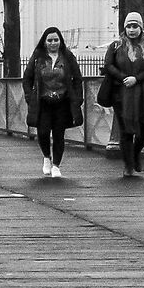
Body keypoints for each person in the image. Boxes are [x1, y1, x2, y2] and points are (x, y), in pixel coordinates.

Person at [98, 12, 144, 177]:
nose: (132, 30)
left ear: (141, 28)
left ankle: (135, 153)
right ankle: (128, 165)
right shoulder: (116, 46)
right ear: (124, 28)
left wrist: (137, 79)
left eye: (135, 26)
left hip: (142, 94)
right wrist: (124, 78)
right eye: (129, 26)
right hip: (121, 94)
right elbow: (108, 65)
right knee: (126, 130)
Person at [21, 26, 84, 179]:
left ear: (60, 41)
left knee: (58, 134)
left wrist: (78, 98)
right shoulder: (38, 57)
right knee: (43, 132)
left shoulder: (67, 56)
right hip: (43, 102)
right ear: (44, 42)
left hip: (62, 101)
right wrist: (30, 97)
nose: (53, 43)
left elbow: (77, 78)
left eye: (56, 40)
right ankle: (46, 157)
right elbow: (27, 78)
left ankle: (56, 165)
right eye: (50, 40)